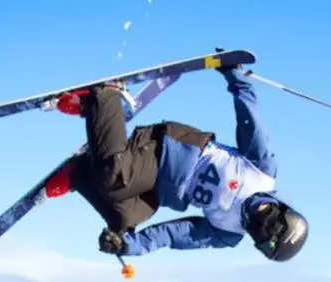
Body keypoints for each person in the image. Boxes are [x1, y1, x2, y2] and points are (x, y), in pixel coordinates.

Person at [51, 55, 309, 263]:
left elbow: (177, 234)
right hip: (170, 149)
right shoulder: (261, 172)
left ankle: (79, 174)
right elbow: (250, 120)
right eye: (270, 229)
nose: (258, 229)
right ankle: (104, 97)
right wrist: (234, 76)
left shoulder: (228, 234)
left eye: (261, 243)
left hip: (161, 189)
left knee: (124, 219)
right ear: (282, 215)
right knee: (117, 178)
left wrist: (129, 246)